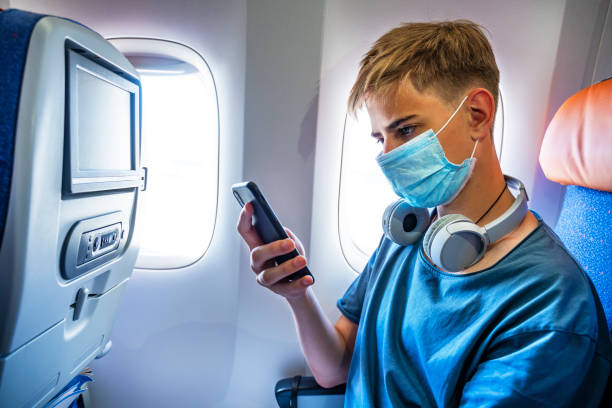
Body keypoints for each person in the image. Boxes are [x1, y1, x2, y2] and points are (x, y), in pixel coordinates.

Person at [237, 20, 611, 407]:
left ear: (478, 114)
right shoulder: (410, 233)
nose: (387, 156)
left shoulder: (549, 306)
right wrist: (297, 292)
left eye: (406, 131)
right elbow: (336, 368)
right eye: (380, 138)